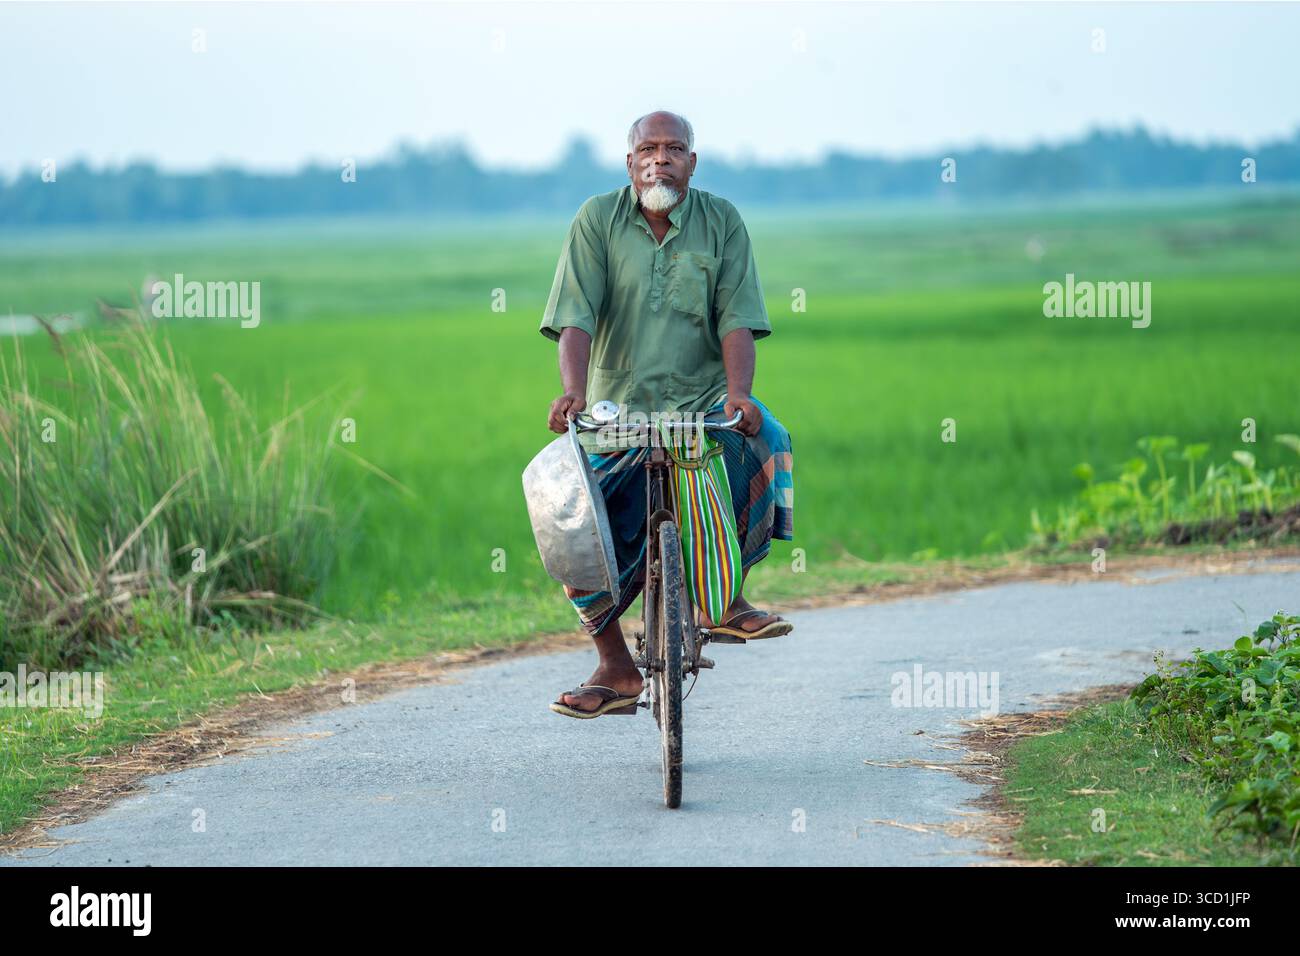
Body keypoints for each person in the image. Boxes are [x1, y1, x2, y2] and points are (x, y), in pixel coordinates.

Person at [539, 110, 795, 719]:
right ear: (630, 163)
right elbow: (574, 314)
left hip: (700, 401)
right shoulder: (597, 220)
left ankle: (724, 600)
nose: (660, 158)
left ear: (691, 162)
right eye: (647, 149)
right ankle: (614, 666)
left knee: (767, 438)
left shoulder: (721, 221)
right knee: (566, 510)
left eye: (673, 148)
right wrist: (572, 392)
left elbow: (737, 318)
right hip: (614, 408)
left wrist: (740, 394)